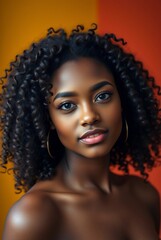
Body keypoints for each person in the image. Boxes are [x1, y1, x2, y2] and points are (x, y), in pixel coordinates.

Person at [1, 24, 160, 240]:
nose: (89, 116)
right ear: (48, 120)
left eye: (102, 96)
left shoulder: (144, 195)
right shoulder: (34, 215)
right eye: (67, 105)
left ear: (124, 101)